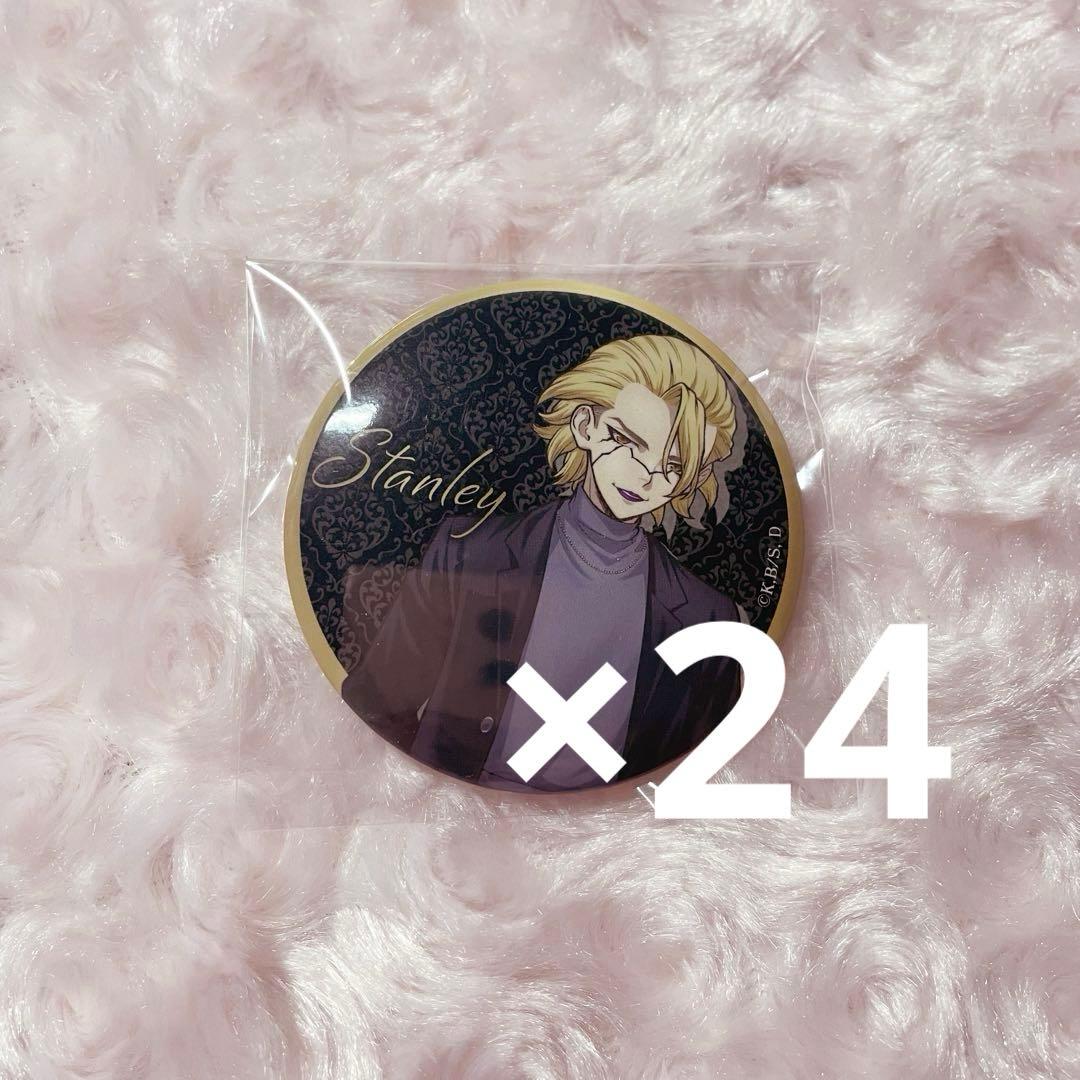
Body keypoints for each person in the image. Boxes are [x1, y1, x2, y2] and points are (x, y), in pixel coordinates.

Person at [341, 334, 743, 791]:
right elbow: (378, 702)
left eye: (672, 466)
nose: (646, 476)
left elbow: (697, 763)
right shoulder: (471, 552)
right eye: (628, 442)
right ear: (586, 425)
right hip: (454, 807)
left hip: (615, 823)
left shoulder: (708, 619)